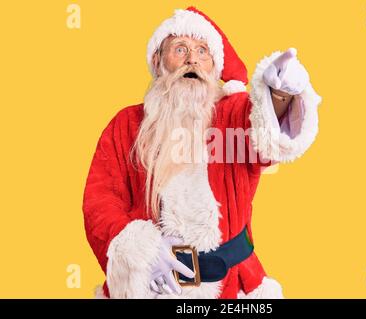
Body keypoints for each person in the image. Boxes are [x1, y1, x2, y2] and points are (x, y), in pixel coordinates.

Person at [82, 6, 322, 299]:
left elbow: (265, 135)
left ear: (215, 67)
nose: (192, 59)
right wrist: (140, 251)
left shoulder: (234, 113)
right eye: (180, 49)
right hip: (152, 286)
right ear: (158, 61)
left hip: (230, 286)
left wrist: (280, 95)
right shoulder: (125, 124)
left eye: (202, 51)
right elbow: (99, 199)